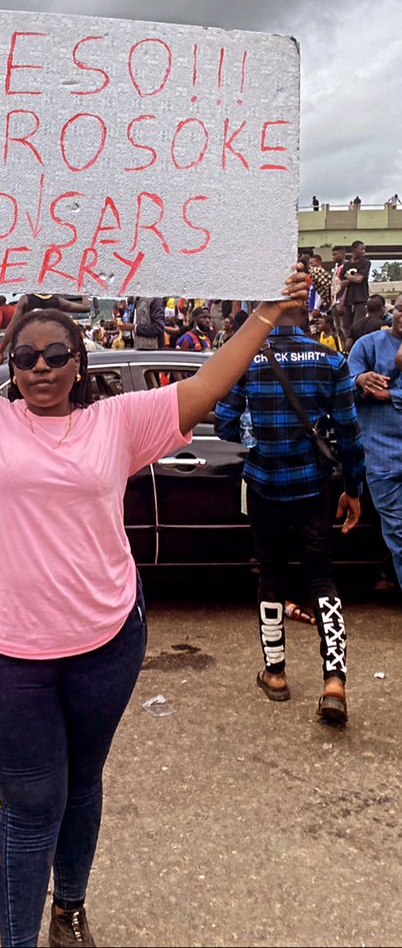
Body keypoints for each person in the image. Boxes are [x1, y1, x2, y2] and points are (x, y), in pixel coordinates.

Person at [0, 240, 306, 948]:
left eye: (55, 355)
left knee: (83, 782)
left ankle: (69, 908)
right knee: (30, 804)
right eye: (26, 356)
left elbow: (208, 385)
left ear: (78, 363)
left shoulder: (118, 422)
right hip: (7, 651)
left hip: (107, 640)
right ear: (11, 364)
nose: (40, 367)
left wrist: (264, 314)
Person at [215, 310, 365, 727]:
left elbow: (225, 424)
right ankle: (334, 682)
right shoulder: (331, 359)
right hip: (314, 488)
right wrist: (353, 490)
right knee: (321, 578)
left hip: (264, 487)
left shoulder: (246, 358)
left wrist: (259, 436)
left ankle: (276, 674)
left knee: (271, 576)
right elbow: (349, 435)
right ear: (303, 317)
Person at [349, 300, 402, 591]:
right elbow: (342, 389)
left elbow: (386, 394)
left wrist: (391, 395)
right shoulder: (368, 346)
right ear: (392, 312)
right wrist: (359, 380)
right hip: (383, 458)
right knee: (399, 533)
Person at [0, 292, 91, 362]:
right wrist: (84, 293)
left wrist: (0, 351)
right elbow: (85, 308)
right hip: (53, 352)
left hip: (30, 351)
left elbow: (11, 328)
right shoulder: (57, 301)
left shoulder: (25, 299)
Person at [338, 240, 371, 333]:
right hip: (348, 300)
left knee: (358, 325)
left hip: (361, 299)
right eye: (361, 249)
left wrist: (348, 276)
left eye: (364, 249)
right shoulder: (346, 265)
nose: (363, 251)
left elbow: (359, 279)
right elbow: (341, 283)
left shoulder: (366, 263)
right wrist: (353, 278)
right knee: (346, 326)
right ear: (354, 249)